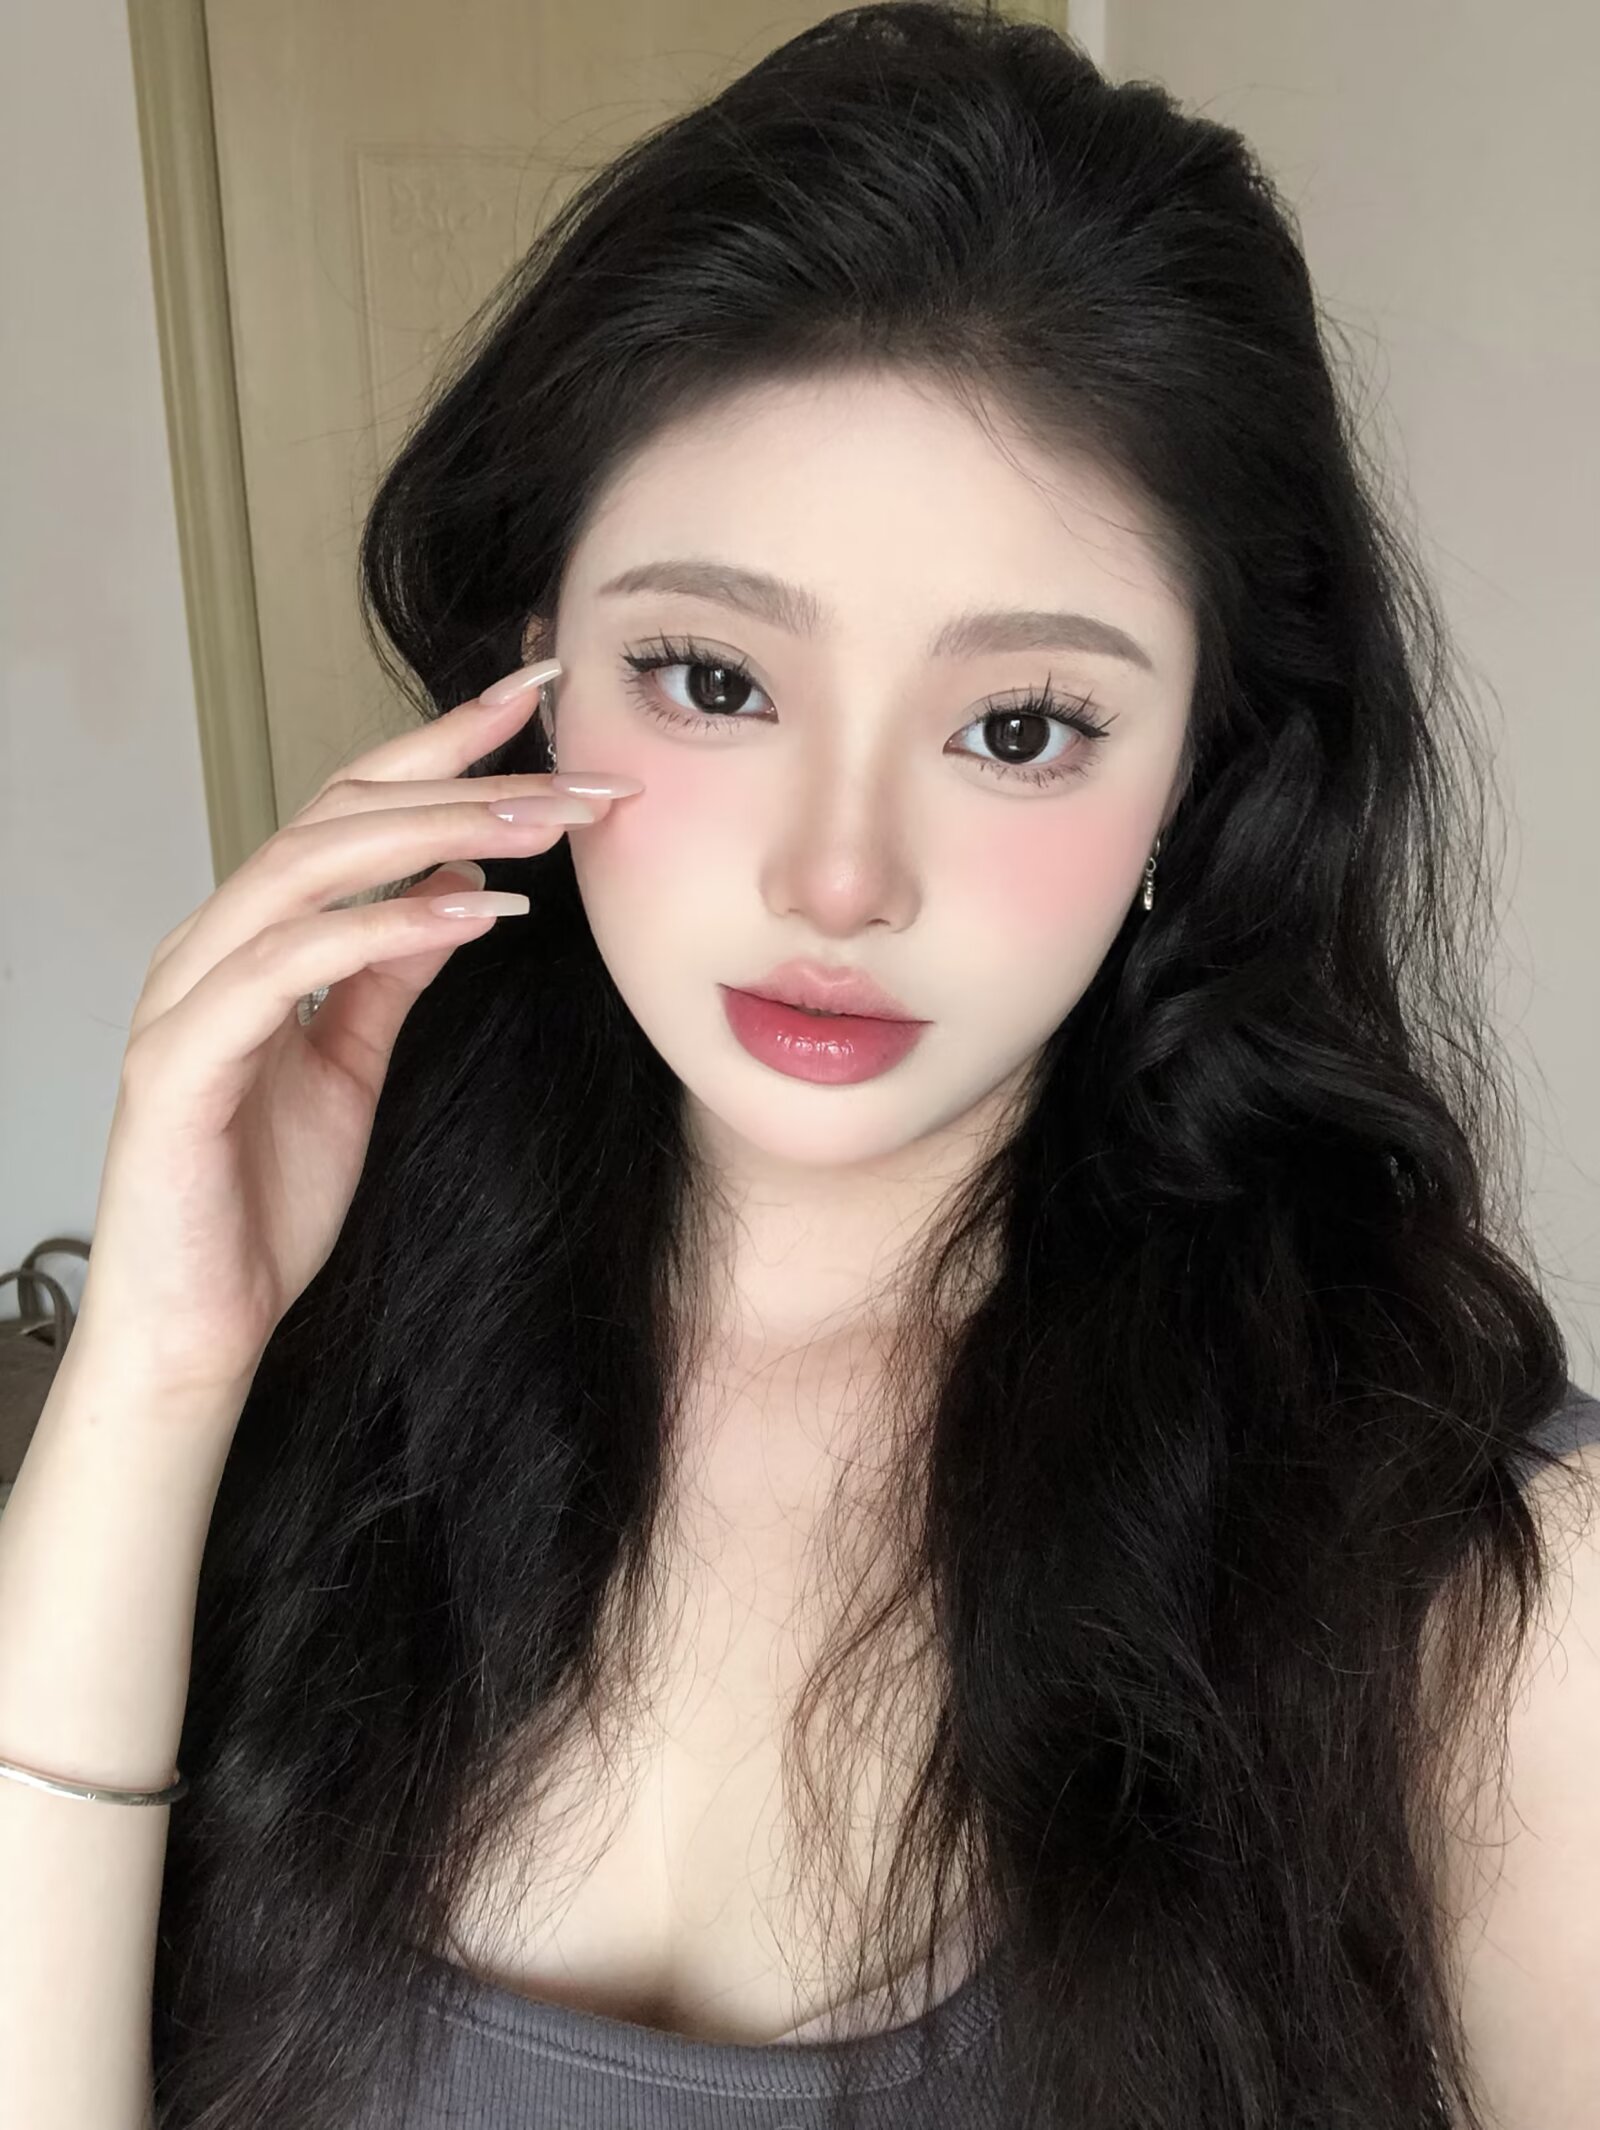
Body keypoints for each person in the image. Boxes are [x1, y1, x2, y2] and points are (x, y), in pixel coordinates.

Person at [2, 4, 1597, 2126]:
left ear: (1200, 777)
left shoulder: (1481, 1590)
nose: (838, 877)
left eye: (1017, 727)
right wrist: (157, 1369)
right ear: (533, 677)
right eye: (710, 678)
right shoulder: (318, 1373)